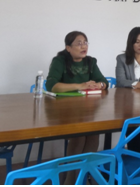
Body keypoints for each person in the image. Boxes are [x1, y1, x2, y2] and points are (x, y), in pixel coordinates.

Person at [46, 31, 108, 184]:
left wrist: (99, 85)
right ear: (68, 47)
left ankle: (81, 176)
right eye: (79, 43)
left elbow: (104, 81)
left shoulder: (90, 62)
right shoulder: (59, 61)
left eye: (85, 43)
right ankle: (71, 179)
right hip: (64, 112)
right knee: (79, 136)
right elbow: (52, 85)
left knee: (94, 133)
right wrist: (80, 85)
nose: (83, 46)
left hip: (86, 111)